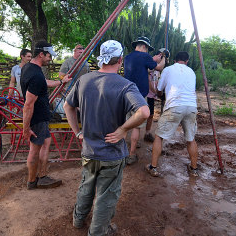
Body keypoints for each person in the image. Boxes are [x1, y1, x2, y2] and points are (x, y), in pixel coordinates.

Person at [64, 40, 149, 236]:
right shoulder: (126, 85)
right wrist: (123, 129)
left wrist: (78, 131)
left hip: (89, 150)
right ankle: (98, 232)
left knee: (86, 185)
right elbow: (144, 112)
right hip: (112, 153)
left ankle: (78, 220)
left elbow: (68, 106)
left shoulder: (83, 80)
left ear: (102, 58)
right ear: (120, 59)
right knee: (106, 196)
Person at [21, 40, 72, 190]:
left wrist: (61, 81)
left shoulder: (30, 68)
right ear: (42, 54)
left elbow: (45, 83)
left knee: (46, 143)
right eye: (49, 55)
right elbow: (28, 105)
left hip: (41, 116)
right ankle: (32, 181)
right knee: (34, 149)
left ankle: (42, 176)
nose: (51, 59)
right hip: (36, 118)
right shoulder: (35, 75)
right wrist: (26, 128)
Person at [146, 51, 199, 178]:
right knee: (191, 139)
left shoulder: (168, 69)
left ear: (175, 60)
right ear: (187, 61)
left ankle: (153, 167)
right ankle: (194, 169)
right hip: (191, 106)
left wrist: (161, 95)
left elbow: (159, 90)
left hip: (175, 106)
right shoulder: (191, 72)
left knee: (159, 136)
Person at [123, 36, 166, 165]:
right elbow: (158, 68)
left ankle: (120, 154)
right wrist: (163, 58)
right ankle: (131, 154)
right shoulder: (145, 56)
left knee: (124, 126)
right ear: (144, 46)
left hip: (126, 95)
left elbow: (143, 69)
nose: (147, 51)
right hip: (140, 96)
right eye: (147, 49)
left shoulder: (127, 58)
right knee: (137, 127)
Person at [143, 50, 163, 143]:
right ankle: (136, 137)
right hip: (146, 94)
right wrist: (155, 91)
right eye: (162, 58)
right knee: (142, 116)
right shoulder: (150, 64)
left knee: (151, 115)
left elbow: (156, 81)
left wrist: (159, 90)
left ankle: (147, 133)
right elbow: (148, 81)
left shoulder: (157, 69)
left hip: (152, 95)